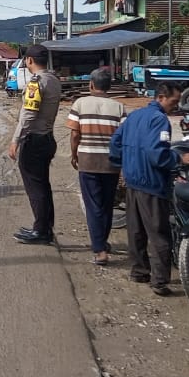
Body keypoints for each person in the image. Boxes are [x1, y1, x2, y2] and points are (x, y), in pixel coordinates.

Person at [108, 82, 189, 296]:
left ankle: (139, 271)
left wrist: (124, 164)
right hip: (152, 183)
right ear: (160, 97)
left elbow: (115, 142)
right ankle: (159, 281)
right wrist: (179, 158)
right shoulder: (159, 120)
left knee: (136, 230)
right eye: (173, 102)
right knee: (159, 233)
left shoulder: (135, 116)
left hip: (133, 181)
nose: (175, 107)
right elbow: (156, 153)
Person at [68, 69, 126, 266]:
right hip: (111, 163)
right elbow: (122, 139)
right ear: (108, 87)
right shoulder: (119, 107)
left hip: (88, 161)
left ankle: (100, 250)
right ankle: (103, 241)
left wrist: (74, 154)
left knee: (93, 206)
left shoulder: (80, 104)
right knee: (107, 205)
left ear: (91, 85)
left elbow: (75, 134)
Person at [7, 44, 62, 245]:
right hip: (48, 137)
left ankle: (41, 231)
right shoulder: (54, 80)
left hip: (34, 140)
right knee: (43, 185)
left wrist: (16, 140)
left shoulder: (36, 83)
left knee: (35, 187)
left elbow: (29, 115)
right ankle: (45, 226)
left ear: (29, 60)